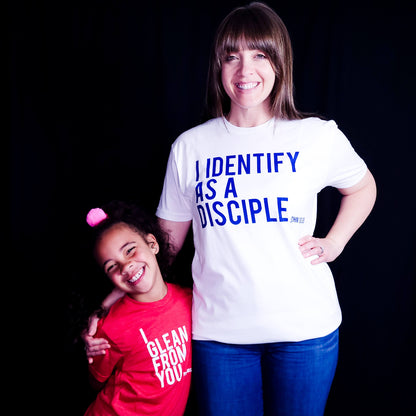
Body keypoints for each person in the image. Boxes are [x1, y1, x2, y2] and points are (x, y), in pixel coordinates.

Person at [84, 3, 377, 415]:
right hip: (220, 338)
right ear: (217, 66)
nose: (245, 70)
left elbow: (363, 187)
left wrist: (334, 243)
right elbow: (160, 248)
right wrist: (109, 302)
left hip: (306, 331)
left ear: (279, 63)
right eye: (231, 56)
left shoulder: (316, 136)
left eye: (259, 54)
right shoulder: (191, 147)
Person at [82, 201, 192, 416]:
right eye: (112, 266)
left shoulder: (188, 300)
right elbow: (96, 383)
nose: (126, 266)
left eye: (130, 250)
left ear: (152, 244)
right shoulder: (111, 326)